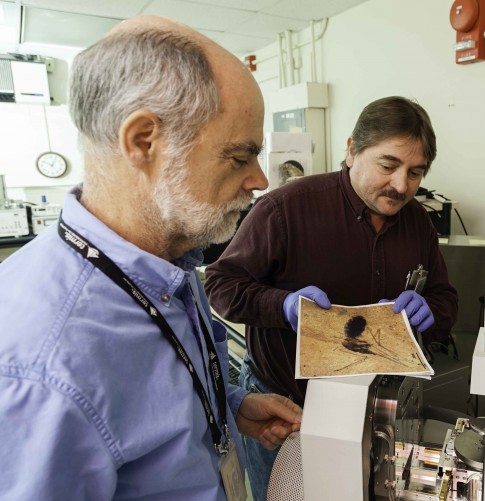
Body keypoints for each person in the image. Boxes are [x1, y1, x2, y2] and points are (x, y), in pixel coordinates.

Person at [0, 16, 302, 501]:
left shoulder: (171, 261)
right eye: (239, 156)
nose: (260, 179)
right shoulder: (43, 367)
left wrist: (230, 405)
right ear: (144, 141)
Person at [205, 95, 459, 500]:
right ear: (352, 150)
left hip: (375, 410)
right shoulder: (285, 209)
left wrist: (433, 310)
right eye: (389, 165)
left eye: (415, 172)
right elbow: (220, 285)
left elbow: (445, 296)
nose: (401, 186)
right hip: (288, 409)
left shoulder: (418, 224)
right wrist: (284, 306)